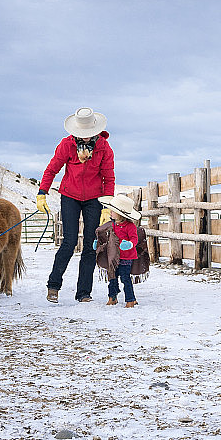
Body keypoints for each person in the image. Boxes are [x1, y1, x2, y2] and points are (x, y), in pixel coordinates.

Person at [37, 107, 114, 303]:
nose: (86, 138)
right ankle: (53, 286)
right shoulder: (66, 145)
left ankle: (83, 293)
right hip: (70, 195)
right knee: (69, 242)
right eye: (82, 135)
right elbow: (52, 169)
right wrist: (42, 193)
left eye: (89, 135)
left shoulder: (104, 147)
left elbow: (109, 178)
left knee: (90, 245)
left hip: (94, 198)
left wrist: (106, 205)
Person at [94, 194, 142, 308]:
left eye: (113, 211)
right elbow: (106, 237)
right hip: (113, 256)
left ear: (120, 214)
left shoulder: (130, 226)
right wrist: (99, 244)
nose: (110, 212)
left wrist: (130, 244)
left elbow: (135, 239)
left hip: (126, 257)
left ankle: (131, 299)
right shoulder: (112, 225)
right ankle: (112, 297)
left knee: (125, 278)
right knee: (112, 277)